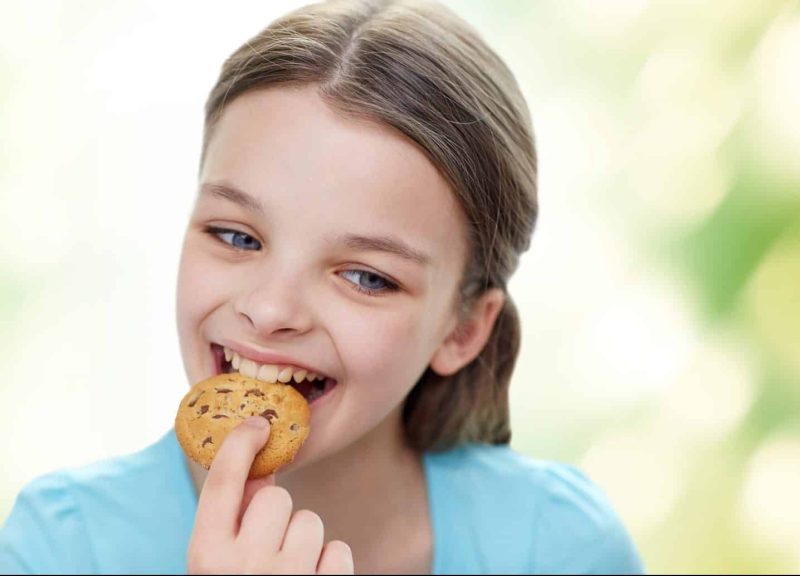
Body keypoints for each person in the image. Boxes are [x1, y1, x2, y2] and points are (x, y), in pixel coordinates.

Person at [0, 0, 644, 573]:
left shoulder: (559, 548)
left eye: (367, 276)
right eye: (236, 236)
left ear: (464, 327)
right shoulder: (62, 547)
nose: (270, 310)